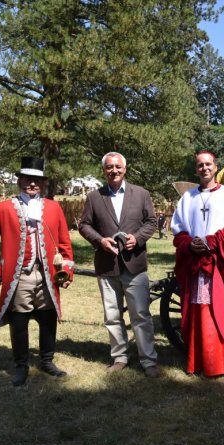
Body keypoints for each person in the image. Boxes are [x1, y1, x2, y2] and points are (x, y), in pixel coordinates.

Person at [0, 157, 74, 386]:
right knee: (19, 321)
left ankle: (47, 360)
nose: (33, 184)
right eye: (28, 179)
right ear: (20, 181)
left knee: (48, 318)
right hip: (20, 276)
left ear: (43, 183)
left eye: (37, 180)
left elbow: (65, 242)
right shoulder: (3, 208)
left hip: (48, 274)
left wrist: (66, 272)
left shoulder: (54, 207)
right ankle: (21, 365)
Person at [78, 152, 160, 378]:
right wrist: (99, 240)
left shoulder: (141, 194)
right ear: (104, 170)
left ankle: (148, 359)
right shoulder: (95, 197)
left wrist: (139, 238)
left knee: (141, 315)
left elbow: (151, 222)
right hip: (107, 266)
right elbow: (84, 225)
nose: (113, 170)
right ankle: (120, 357)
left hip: (135, 265)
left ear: (125, 169)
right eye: (109, 167)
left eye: (117, 166)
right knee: (112, 315)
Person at [171, 150, 224, 377]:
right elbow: (178, 230)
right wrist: (189, 244)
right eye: (199, 165)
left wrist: (211, 242)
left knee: (221, 312)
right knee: (200, 311)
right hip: (197, 266)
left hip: (219, 265)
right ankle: (199, 361)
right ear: (195, 170)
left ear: (216, 167)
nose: (204, 168)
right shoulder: (188, 198)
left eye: (208, 164)